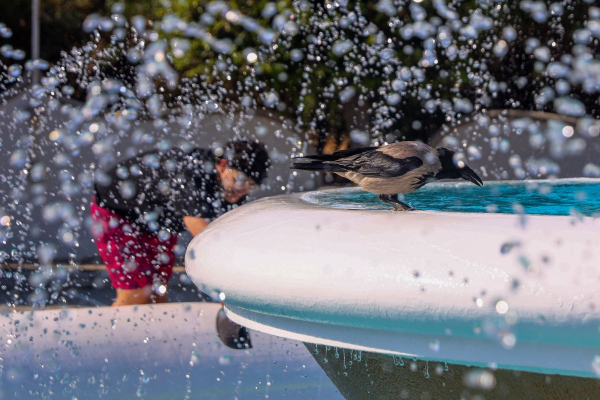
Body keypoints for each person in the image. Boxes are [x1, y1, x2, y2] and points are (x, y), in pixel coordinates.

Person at [90, 138, 270, 306]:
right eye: (240, 181)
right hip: (118, 215)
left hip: (157, 224)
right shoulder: (193, 174)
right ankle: (113, 337)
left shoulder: (234, 189)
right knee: (136, 296)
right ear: (223, 165)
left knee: (157, 295)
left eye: (251, 186)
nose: (242, 191)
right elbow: (205, 241)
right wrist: (227, 290)